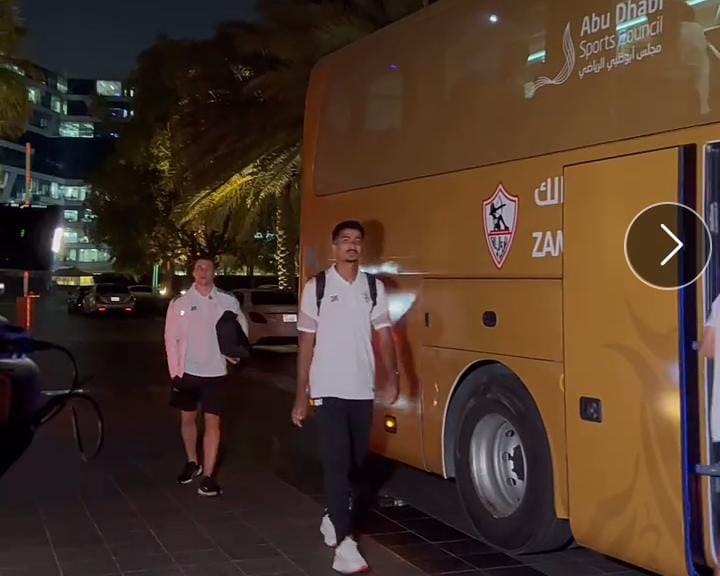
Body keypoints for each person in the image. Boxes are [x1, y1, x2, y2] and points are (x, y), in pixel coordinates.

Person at [292, 220, 399, 574]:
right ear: (334, 247)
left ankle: (332, 515)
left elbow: (384, 335)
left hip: (361, 389)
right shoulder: (317, 287)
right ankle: (344, 543)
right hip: (327, 388)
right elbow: (305, 344)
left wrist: (393, 376)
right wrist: (301, 394)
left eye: (356, 240)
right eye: (345, 240)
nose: (351, 245)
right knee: (336, 463)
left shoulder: (373, 287)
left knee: (355, 464)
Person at [164, 256, 248, 497]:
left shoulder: (227, 300)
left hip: (216, 373)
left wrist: (236, 353)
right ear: (193, 272)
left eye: (207, 267)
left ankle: (209, 476)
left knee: (213, 423)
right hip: (187, 372)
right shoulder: (180, 302)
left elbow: (240, 326)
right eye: (199, 267)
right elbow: (170, 339)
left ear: (214, 272)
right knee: (188, 419)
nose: (203, 271)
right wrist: (175, 372)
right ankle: (193, 461)